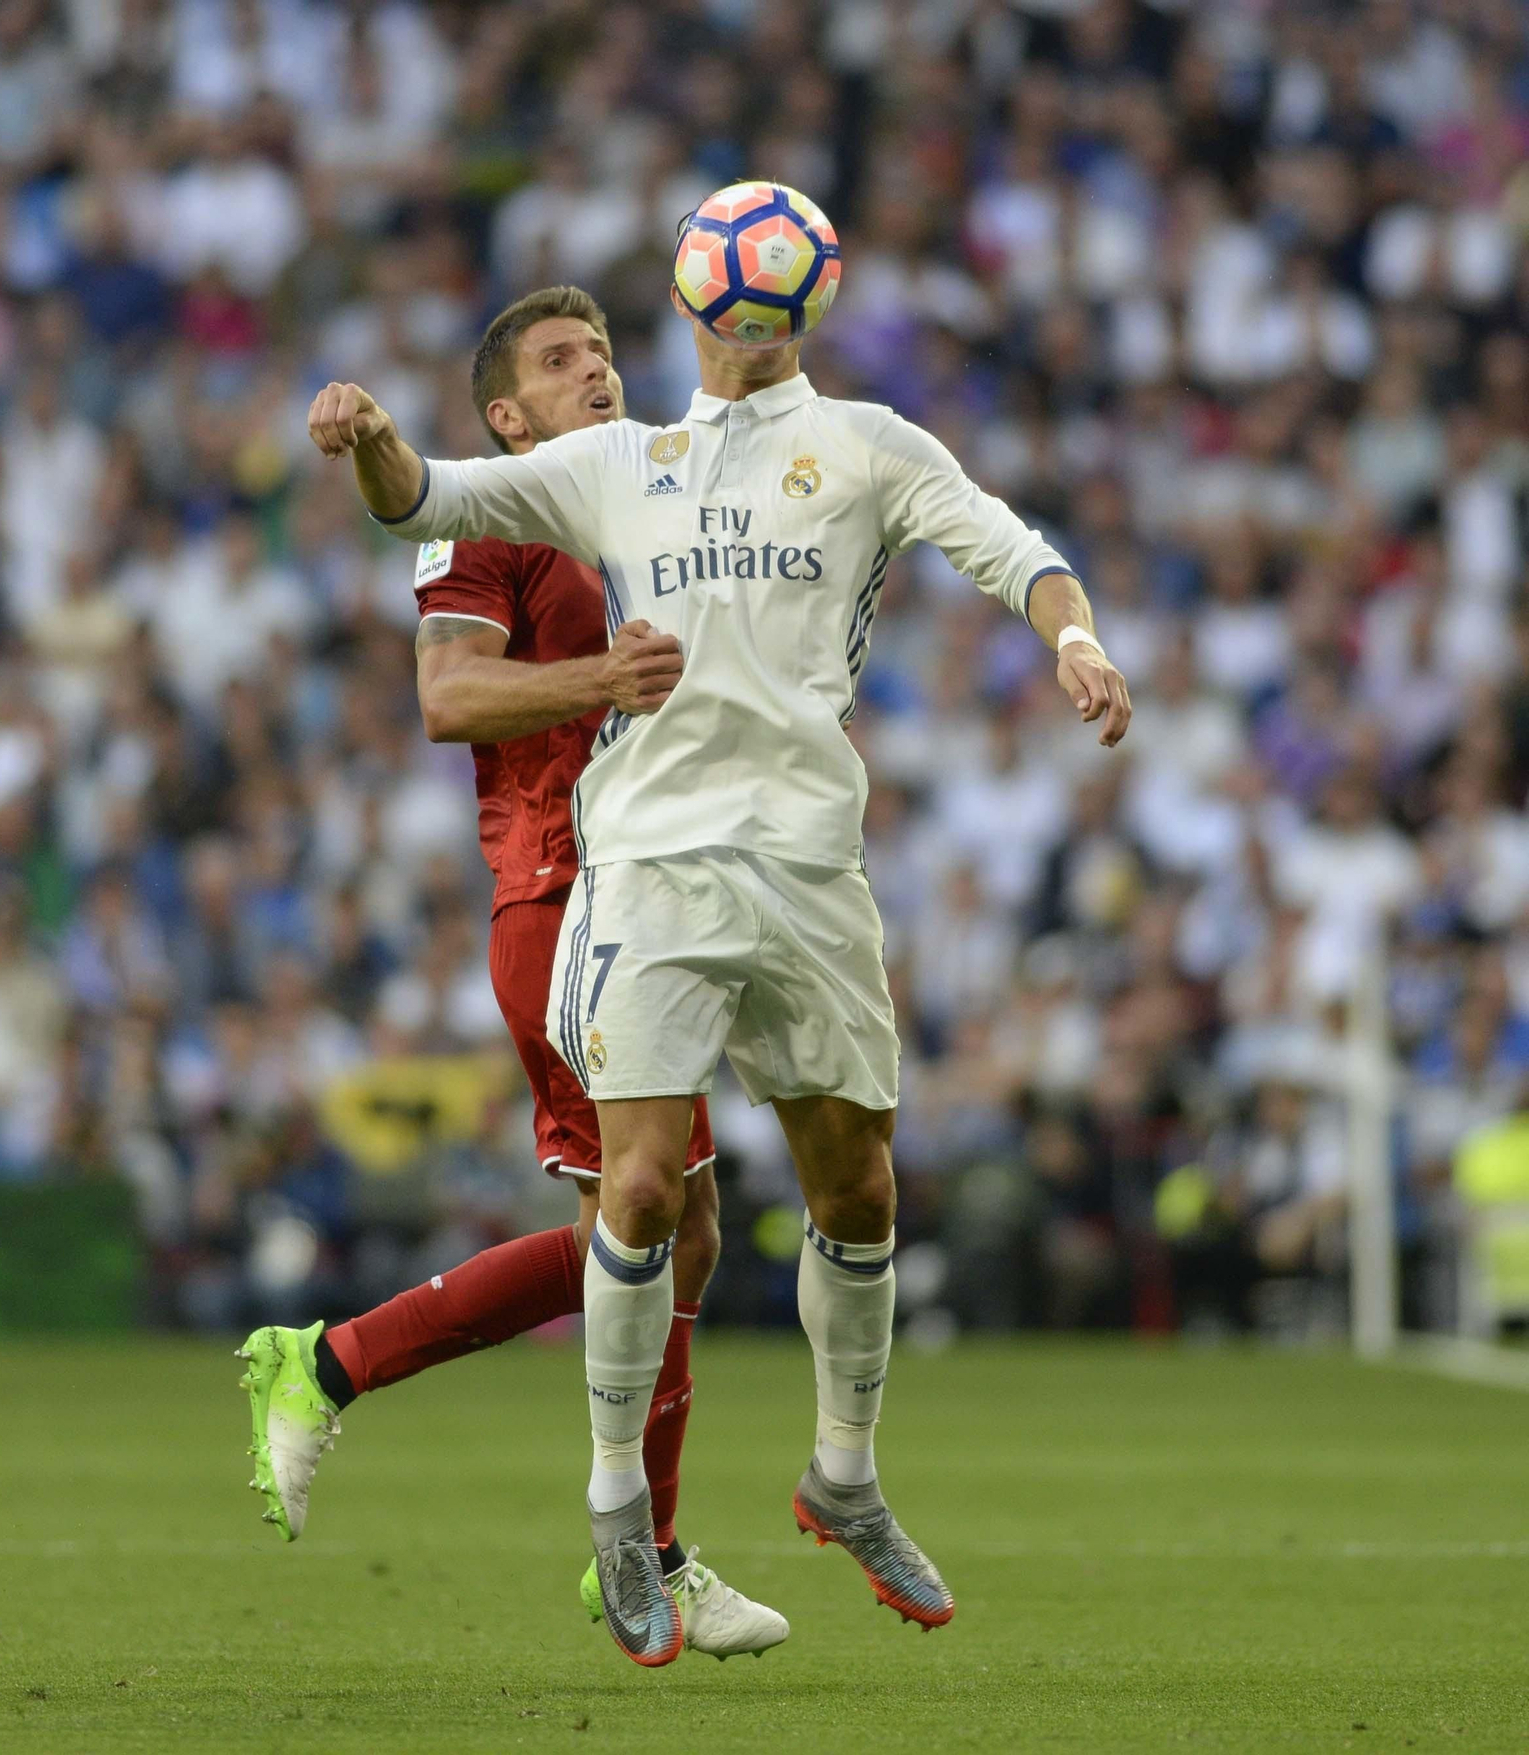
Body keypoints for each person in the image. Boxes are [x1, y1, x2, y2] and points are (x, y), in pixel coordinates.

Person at [306, 181, 1132, 1668]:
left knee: (862, 1192)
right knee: (639, 1197)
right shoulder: (620, 463)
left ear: (795, 299)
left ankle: (845, 1477)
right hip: (652, 870)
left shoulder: (871, 444)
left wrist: (1073, 639)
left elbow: (1014, 547)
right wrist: (368, 439)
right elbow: (421, 499)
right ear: (704, 299)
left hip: (810, 866)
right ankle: (623, 1516)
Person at [241, 286, 787, 1663]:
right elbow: (447, 698)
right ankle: (342, 1375)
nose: (596, 371)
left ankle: (625, 1537)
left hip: (656, 895)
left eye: (603, 352)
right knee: (649, 1217)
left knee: (687, 1233)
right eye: (560, 361)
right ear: (505, 416)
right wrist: (605, 678)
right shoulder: (491, 516)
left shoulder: (636, 504)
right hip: (561, 904)